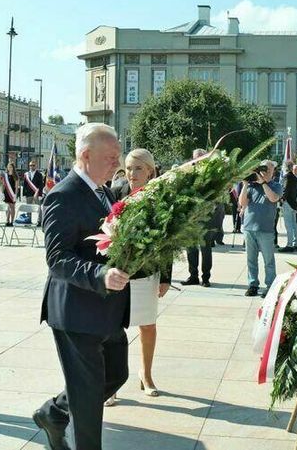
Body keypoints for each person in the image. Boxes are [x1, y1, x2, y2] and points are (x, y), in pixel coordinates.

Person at [33, 123, 130, 450]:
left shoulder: (104, 191)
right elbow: (57, 258)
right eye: (111, 156)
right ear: (86, 155)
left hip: (107, 308)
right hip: (76, 310)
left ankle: (54, 413)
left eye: (118, 155)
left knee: (115, 374)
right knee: (88, 398)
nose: (117, 163)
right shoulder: (64, 195)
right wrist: (100, 275)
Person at [106, 148, 170, 406]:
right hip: (118, 271)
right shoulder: (115, 193)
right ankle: (111, 384)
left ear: (150, 171)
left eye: (138, 168)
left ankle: (146, 375)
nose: (132, 173)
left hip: (147, 272)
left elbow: (168, 238)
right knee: (112, 329)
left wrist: (165, 276)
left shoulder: (160, 197)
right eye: (129, 168)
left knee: (147, 325)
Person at [239, 159, 282, 297]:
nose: (265, 172)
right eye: (263, 169)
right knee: (251, 259)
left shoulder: (276, 185)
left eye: (268, 170)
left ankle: (270, 286)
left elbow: (273, 198)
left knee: (268, 260)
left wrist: (263, 183)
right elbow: (242, 203)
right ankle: (252, 285)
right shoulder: (252, 186)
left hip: (265, 229)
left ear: (273, 171)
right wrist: (245, 184)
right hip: (249, 227)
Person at [184, 148, 218, 286]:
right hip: (190, 216)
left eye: (201, 157)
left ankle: (206, 277)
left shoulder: (212, 173)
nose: (198, 160)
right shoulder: (188, 173)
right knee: (190, 247)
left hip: (205, 216)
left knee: (205, 248)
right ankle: (193, 276)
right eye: (196, 157)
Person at [279, 161, 297, 252]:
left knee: (289, 225)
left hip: (287, 203)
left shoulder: (287, 176)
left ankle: (289, 245)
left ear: (285, 167)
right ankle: (295, 244)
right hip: (293, 203)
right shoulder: (294, 177)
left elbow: (285, 189)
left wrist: (282, 199)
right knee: (294, 224)